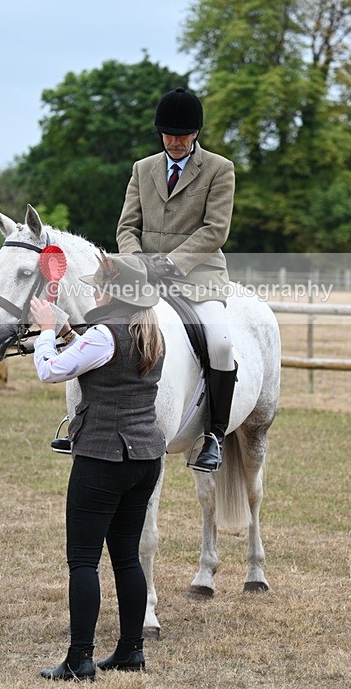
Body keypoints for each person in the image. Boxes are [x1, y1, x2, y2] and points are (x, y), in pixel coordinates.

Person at [30, 253, 165, 680]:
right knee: (126, 557)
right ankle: (130, 651)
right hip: (145, 457)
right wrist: (70, 330)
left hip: (103, 457)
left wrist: (48, 332)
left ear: (114, 293)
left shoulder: (104, 334)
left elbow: (50, 371)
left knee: (83, 561)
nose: (93, 290)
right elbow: (101, 356)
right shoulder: (150, 331)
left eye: (99, 286)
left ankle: (79, 659)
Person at [117, 87, 236, 472]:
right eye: (168, 135)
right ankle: (87, 422)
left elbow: (215, 230)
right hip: (145, 276)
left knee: (219, 342)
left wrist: (170, 263)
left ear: (196, 133)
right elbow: (127, 227)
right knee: (102, 328)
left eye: (182, 135)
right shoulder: (143, 169)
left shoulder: (219, 169)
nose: (175, 142)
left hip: (198, 276)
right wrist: (137, 263)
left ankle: (214, 434)